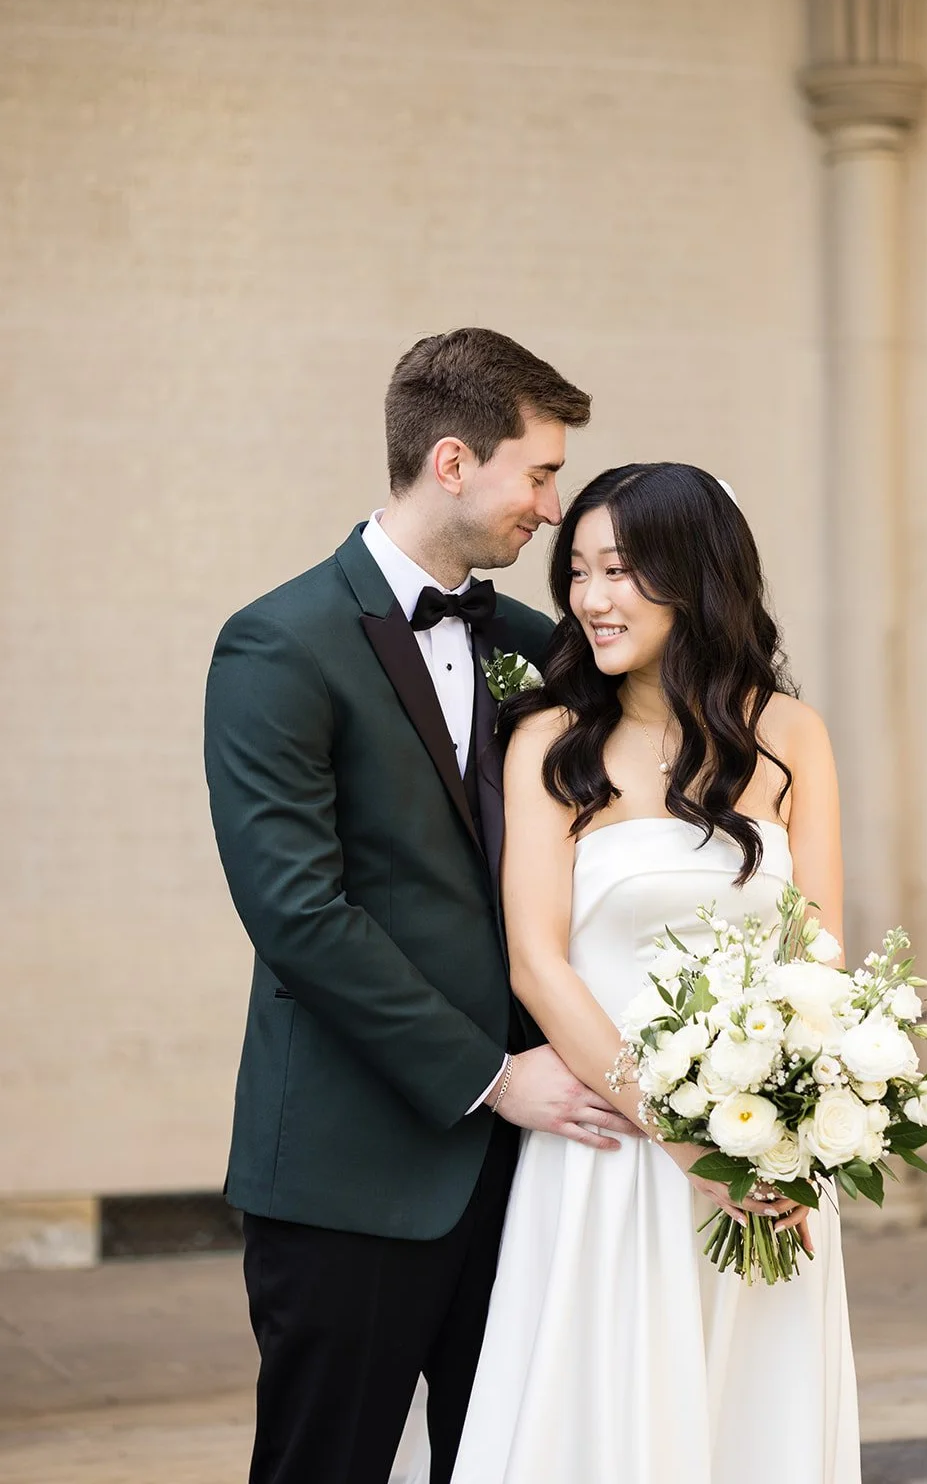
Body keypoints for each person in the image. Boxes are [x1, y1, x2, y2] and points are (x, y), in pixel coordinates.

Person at [203, 328, 639, 1484]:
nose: (550, 509)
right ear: (453, 461)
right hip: (352, 1165)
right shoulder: (276, 645)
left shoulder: (538, 648)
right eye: (538, 473)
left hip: (531, 1176)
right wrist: (493, 1076)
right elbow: (298, 912)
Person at [447, 462, 861, 1484]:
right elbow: (538, 965)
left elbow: (820, 955)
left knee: (751, 1415)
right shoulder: (548, 739)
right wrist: (682, 1136)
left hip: (765, 1161)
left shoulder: (791, 734)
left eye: (620, 570)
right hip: (612, 1149)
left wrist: (794, 1131)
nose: (590, 598)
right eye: (577, 572)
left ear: (695, 574)